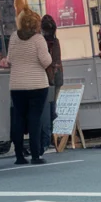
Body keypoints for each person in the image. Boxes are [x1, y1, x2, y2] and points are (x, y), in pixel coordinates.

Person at [7, 9, 52, 165]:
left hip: (17, 84)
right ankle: (35, 155)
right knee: (34, 119)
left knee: (18, 118)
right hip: (37, 84)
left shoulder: (13, 37)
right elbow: (46, 61)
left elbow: (10, 59)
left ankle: (19, 155)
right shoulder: (38, 39)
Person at [39, 15, 63, 153]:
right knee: (51, 108)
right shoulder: (55, 41)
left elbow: (52, 62)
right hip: (55, 78)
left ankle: (47, 139)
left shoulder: (42, 41)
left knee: (48, 109)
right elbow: (56, 62)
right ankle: (49, 139)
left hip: (49, 78)